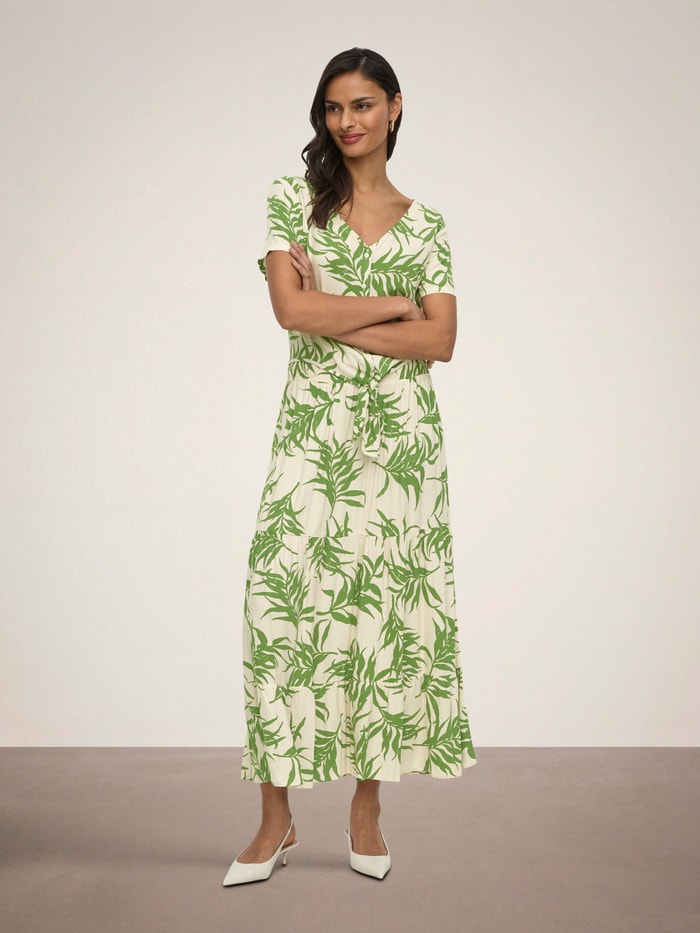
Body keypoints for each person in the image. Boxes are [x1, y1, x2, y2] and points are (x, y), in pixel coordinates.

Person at [223, 47, 476, 886]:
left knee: (384, 618)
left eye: (362, 104)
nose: (347, 121)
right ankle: (276, 816)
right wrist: (396, 304)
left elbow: (441, 340)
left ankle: (366, 808)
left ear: (395, 107)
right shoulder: (292, 201)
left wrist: (333, 311)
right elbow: (288, 310)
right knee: (276, 604)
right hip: (313, 434)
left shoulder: (427, 224)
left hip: (401, 448)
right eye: (334, 108)